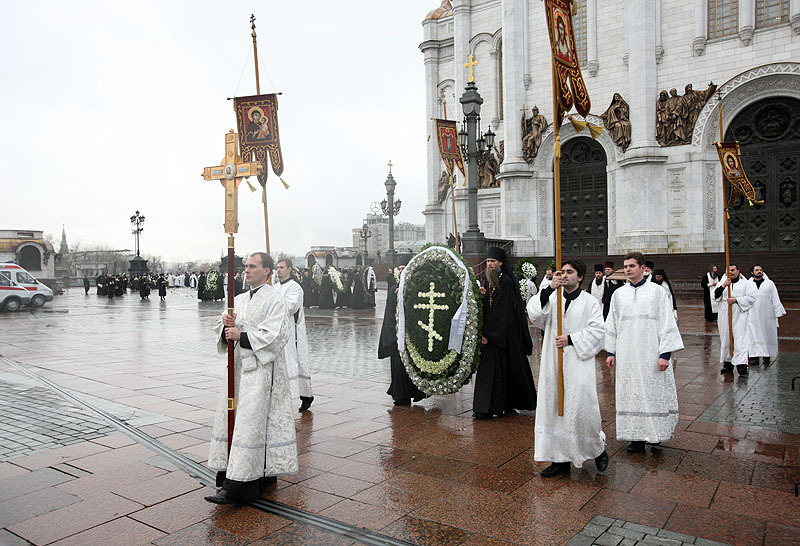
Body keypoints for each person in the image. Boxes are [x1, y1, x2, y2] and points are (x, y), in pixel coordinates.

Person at [205, 252, 298, 504]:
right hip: (238, 371)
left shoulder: (275, 300)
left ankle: (241, 484)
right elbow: (225, 330)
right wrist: (226, 325)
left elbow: (276, 335)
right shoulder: (238, 299)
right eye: (246, 266)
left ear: (266, 271)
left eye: (252, 266)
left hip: (261, 372)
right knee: (235, 418)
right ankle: (234, 472)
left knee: (251, 422)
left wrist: (242, 336)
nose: (246, 270)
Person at [527, 259, 607, 477]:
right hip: (553, 362)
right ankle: (559, 459)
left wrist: (571, 339)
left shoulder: (590, 302)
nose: (564, 275)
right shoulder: (553, 297)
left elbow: (598, 331)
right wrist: (548, 290)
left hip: (578, 362)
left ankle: (597, 447)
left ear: (580, 277)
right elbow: (535, 314)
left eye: (570, 272)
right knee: (553, 408)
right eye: (562, 272)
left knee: (582, 408)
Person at [605, 252, 684, 453]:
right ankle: (636, 437)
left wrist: (665, 355)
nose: (628, 269)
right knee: (630, 393)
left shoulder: (657, 292)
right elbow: (611, 324)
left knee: (652, 393)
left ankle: (655, 434)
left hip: (651, 352)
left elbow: (667, 322)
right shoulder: (618, 294)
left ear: (643, 268)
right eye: (626, 266)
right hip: (627, 354)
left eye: (632, 266)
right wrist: (611, 352)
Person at [473, 247, 537, 419]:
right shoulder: (489, 280)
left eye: (492, 261)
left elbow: (502, 311)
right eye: (488, 261)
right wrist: (482, 297)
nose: (489, 264)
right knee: (492, 370)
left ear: (501, 263)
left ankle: (496, 406)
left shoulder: (507, 281)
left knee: (505, 369)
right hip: (493, 331)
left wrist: (488, 334)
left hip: (504, 333)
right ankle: (486, 407)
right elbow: (490, 305)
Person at [380, 265, 427, 406]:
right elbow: (389, 313)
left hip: (412, 335)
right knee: (398, 365)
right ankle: (400, 395)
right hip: (397, 335)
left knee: (413, 365)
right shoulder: (392, 290)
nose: (401, 271)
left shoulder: (417, 289)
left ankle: (415, 391)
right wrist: (392, 334)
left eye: (404, 269)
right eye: (400, 269)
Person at [274, 259, 315, 412]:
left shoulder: (295, 287)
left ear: (290, 269)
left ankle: (306, 395)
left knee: (296, 361)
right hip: (277, 331)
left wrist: (273, 303)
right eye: (277, 268)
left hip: (293, 332)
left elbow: (290, 307)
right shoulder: (275, 287)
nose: (279, 270)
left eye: (282, 267)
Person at [714, 264, 757, 377]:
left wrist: (736, 300)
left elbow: (751, 298)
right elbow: (715, 296)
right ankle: (728, 363)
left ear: (738, 271)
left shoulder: (745, 284)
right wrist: (724, 285)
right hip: (725, 314)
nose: (731, 273)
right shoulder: (723, 282)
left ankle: (741, 365)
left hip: (740, 315)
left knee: (740, 339)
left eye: (733, 270)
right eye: (728, 271)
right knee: (726, 338)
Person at [747, 265, 786, 367]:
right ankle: (754, 356)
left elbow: (775, 297)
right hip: (752, 314)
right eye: (757, 270)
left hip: (767, 314)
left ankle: (766, 354)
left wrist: (777, 311)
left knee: (766, 334)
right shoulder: (748, 284)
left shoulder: (769, 284)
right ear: (752, 272)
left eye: (760, 270)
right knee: (752, 335)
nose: (759, 271)